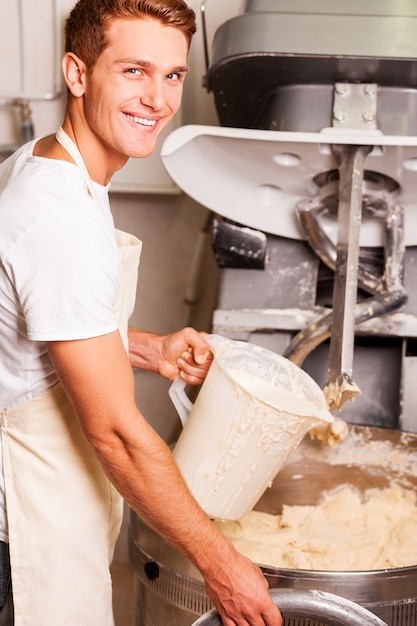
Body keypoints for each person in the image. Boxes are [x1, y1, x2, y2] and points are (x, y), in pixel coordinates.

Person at [0, 1, 283, 625]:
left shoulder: (46, 160)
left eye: (173, 75)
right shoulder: (60, 219)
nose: (157, 98)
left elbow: (35, 324)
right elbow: (118, 435)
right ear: (78, 73)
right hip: (22, 536)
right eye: (133, 71)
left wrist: (147, 349)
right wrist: (220, 562)